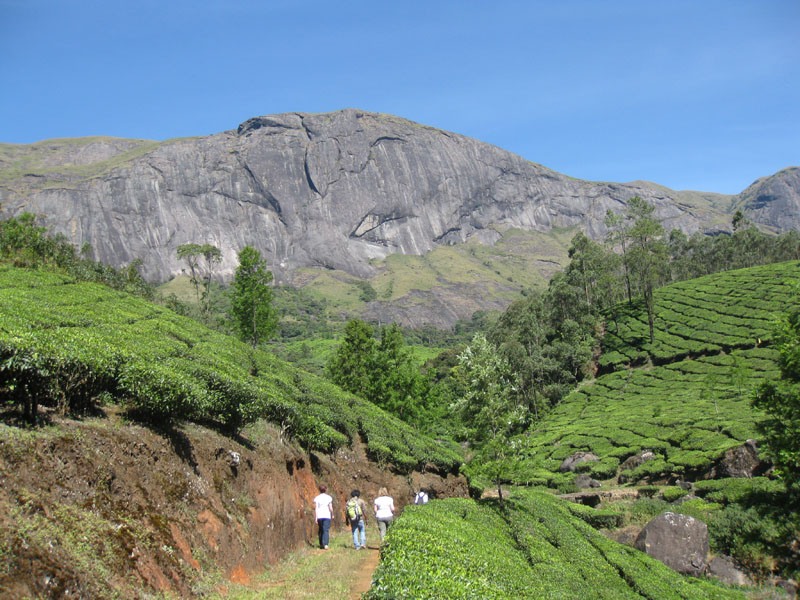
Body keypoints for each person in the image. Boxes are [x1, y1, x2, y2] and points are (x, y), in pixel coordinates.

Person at [313, 484, 334, 549]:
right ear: (326, 489)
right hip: (327, 515)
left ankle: (321, 543)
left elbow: (316, 508)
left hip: (319, 516)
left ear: (319, 490)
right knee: (326, 530)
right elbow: (330, 508)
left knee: (321, 529)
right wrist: (332, 514)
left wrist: (316, 517)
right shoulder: (329, 497)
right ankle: (325, 544)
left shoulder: (317, 498)